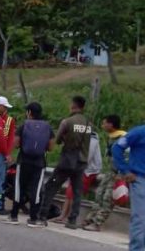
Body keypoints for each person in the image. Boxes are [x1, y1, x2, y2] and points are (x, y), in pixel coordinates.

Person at [33, 96, 94, 229]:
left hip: (67, 161)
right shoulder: (89, 123)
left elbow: (58, 140)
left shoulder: (67, 122)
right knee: (78, 192)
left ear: (73, 105)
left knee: (51, 187)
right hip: (81, 162)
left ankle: (42, 216)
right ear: (83, 107)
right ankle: (72, 220)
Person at [5, 102, 54, 226]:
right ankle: (33, 218)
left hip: (24, 161)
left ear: (29, 113)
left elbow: (15, 143)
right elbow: (51, 147)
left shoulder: (24, 125)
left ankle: (14, 216)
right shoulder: (47, 127)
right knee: (36, 190)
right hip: (39, 163)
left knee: (19, 188)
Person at [84, 115, 128, 232]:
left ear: (111, 125)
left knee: (107, 198)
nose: (103, 126)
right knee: (99, 194)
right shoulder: (111, 137)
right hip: (110, 172)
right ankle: (90, 219)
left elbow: (126, 157)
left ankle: (98, 223)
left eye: (105, 123)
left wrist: (122, 172)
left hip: (118, 172)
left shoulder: (123, 138)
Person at [55, 131, 102, 225]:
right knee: (69, 191)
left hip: (89, 170)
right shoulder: (82, 138)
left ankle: (69, 217)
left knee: (74, 192)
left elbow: (87, 157)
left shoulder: (92, 139)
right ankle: (63, 216)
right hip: (79, 167)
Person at [111, 124, 145, 250]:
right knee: (140, 220)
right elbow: (117, 148)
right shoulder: (139, 132)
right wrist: (125, 170)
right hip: (141, 179)